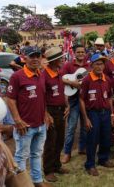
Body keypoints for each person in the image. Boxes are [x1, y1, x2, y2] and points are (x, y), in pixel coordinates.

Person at [6, 46, 51, 187]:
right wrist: (17, 121)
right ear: (24, 58)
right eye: (32, 56)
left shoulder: (41, 74)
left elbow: (42, 97)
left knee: (37, 154)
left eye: (38, 56)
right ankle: (21, 184)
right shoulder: (17, 76)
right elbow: (10, 100)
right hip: (24, 126)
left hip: (40, 125)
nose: (36, 59)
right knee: (21, 157)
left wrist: (45, 114)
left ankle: (37, 181)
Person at [80, 53, 114, 176]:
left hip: (106, 113)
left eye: (102, 64)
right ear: (91, 66)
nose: (100, 67)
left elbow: (110, 97)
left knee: (106, 137)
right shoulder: (87, 80)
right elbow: (82, 100)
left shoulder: (107, 79)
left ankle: (103, 159)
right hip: (93, 113)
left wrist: (112, 114)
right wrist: (86, 119)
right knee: (92, 139)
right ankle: (90, 164)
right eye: (97, 64)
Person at [42, 47, 70, 182]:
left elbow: (62, 90)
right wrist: (46, 114)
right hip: (51, 111)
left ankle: (57, 165)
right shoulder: (44, 75)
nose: (63, 60)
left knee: (60, 140)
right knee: (50, 142)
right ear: (54, 61)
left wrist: (67, 105)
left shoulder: (58, 72)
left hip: (60, 110)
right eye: (61, 58)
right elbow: (41, 97)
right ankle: (48, 170)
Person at [61, 44, 89, 164]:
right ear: (74, 53)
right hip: (73, 99)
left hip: (86, 99)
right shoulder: (68, 65)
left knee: (84, 126)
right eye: (78, 52)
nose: (81, 54)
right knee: (71, 127)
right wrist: (73, 83)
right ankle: (67, 153)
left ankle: (82, 148)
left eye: (82, 52)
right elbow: (61, 78)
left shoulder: (89, 66)